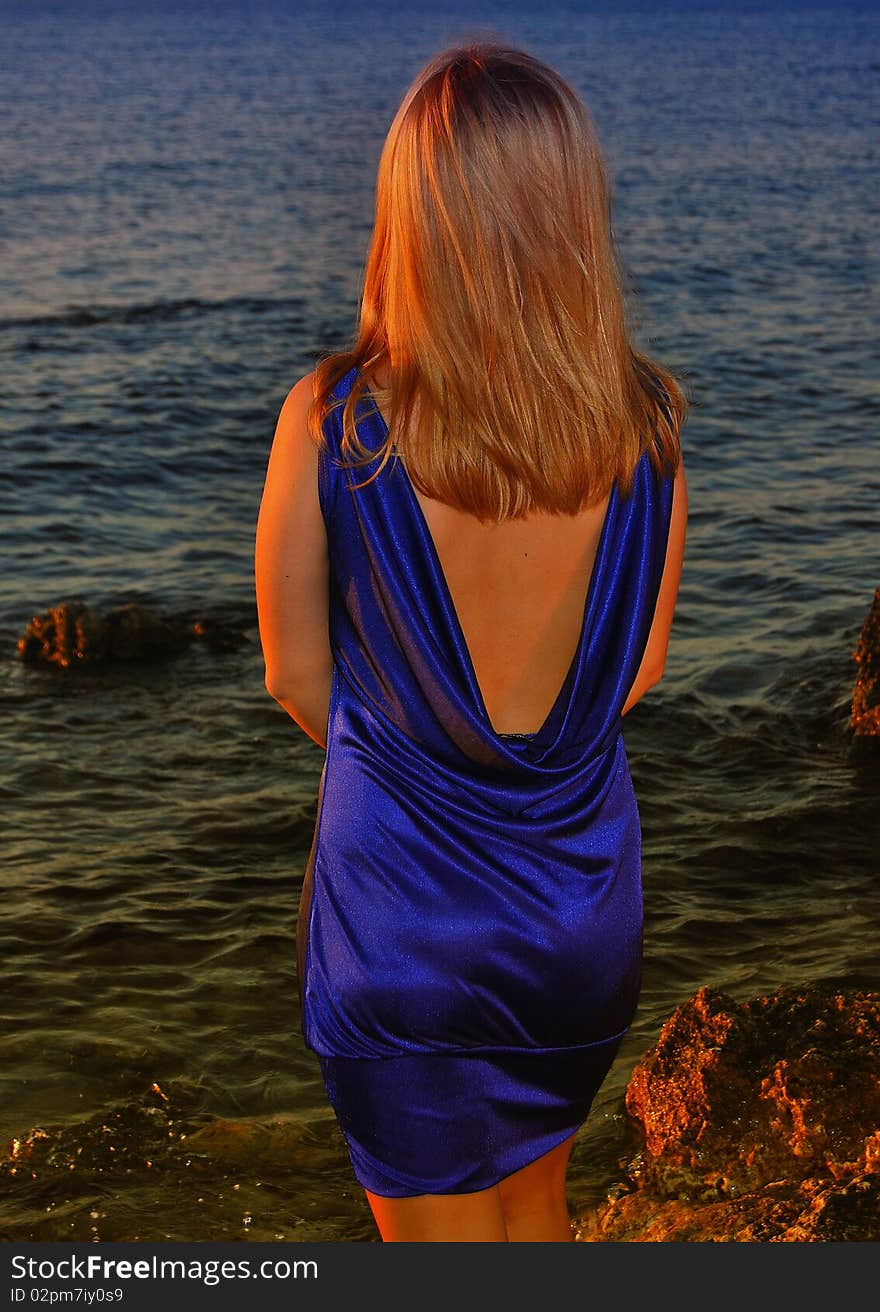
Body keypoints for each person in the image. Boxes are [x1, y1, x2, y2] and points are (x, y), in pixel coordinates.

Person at [254, 39, 688, 1243]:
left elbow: (295, 674)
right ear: (570, 212)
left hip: (400, 915)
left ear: (414, 211)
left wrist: (412, 765)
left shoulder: (336, 418)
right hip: (575, 910)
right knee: (536, 1217)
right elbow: (634, 674)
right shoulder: (644, 427)